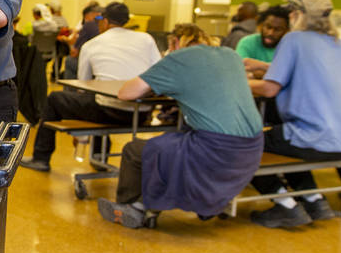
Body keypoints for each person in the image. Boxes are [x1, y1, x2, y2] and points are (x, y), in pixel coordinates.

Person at [97, 24, 264, 229]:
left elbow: (126, 93)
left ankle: (129, 208)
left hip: (215, 152)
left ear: (175, 42)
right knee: (171, 143)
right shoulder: (229, 55)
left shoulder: (179, 57)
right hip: (251, 151)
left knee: (135, 150)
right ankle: (149, 204)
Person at [247, 0, 341, 229]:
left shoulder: (294, 39)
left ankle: (285, 206)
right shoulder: (337, 44)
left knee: (246, 144)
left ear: (298, 14)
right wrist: (262, 65)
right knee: (285, 139)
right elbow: (309, 68)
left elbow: (270, 89)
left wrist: (235, 80)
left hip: (316, 138)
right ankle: (314, 201)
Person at [21, 2, 161, 172]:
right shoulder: (146, 39)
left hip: (109, 112)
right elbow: (160, 71)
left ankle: (41, 158)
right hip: (142, 112)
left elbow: (84, 86)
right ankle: (98, 157)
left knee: (55, 99)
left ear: (106, 21)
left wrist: (82, 134)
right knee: (100, 100)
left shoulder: (92, 45)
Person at [237, 4, 291, 78]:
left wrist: (257, 70)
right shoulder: (247, 42)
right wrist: (277, 73)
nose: (270, 33)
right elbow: (240, 72)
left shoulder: (289, 47)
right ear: (261, 25)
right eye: (268, 27)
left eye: (278, 29)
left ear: (287, 31)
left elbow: (290, 74)